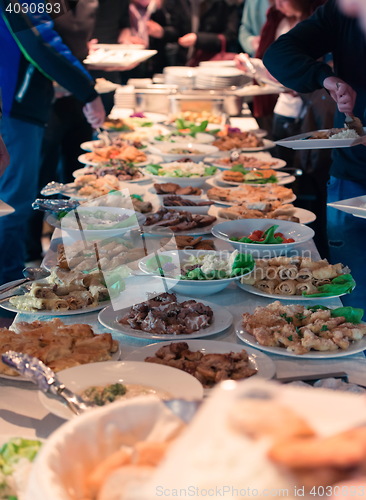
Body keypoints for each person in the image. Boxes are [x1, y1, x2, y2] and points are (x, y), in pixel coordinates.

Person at [263, 0, 366, 307]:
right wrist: (326, 78)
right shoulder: (341, 12)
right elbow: (279, 54)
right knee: (351, 300)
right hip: (352, 176)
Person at [0, 0, 105, 285]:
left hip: (18, 104)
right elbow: (41, 42)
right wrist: (88, 92)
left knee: (13, 202)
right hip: (14, 107)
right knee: (11, 204)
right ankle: (7, 292)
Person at [163, 0, 240, 66]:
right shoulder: (180, 2)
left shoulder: (225, 3)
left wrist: (199, 39)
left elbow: (231, 36)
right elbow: (175, 30)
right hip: (183, 63)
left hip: (212, 64)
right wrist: (163, 32)